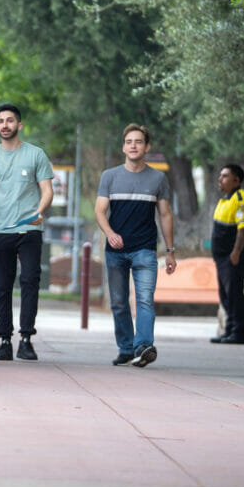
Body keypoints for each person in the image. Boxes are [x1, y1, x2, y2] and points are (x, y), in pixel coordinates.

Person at [0, 104, 53, 361]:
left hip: (29, 229)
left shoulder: (36, 154)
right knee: (2, 286)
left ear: (19, 125)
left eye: (9, 121)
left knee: (30, 281)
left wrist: (40, 210)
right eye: (0, 121)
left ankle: (26, 339)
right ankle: (4, 340)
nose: (4, 125)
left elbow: (47, 190)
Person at [95, 123, 177, 368]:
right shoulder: (109, 176)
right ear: (123, 147)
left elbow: (165, 215)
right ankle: (126, 348)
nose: (133, 145)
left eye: (138, 142)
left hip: (145, 249)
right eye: (129, 141)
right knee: (119, 302)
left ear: (147, 147)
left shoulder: (158, 178)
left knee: (144, 300)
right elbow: (100, 211)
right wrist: (110, 233)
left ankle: (143, 347)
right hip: (116, 251)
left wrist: (170, 252)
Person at [210, 163, 244, 345]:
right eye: (220, 176)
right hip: (221, 259)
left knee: (234, 294)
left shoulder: (241, 199)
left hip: (232, 257)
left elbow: (243, 230)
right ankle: (229, 330)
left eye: (225, 176)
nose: (220, 179)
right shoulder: (225, 200)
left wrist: (236, 252)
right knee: (226, 294)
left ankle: (239, 333)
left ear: (237, 180)